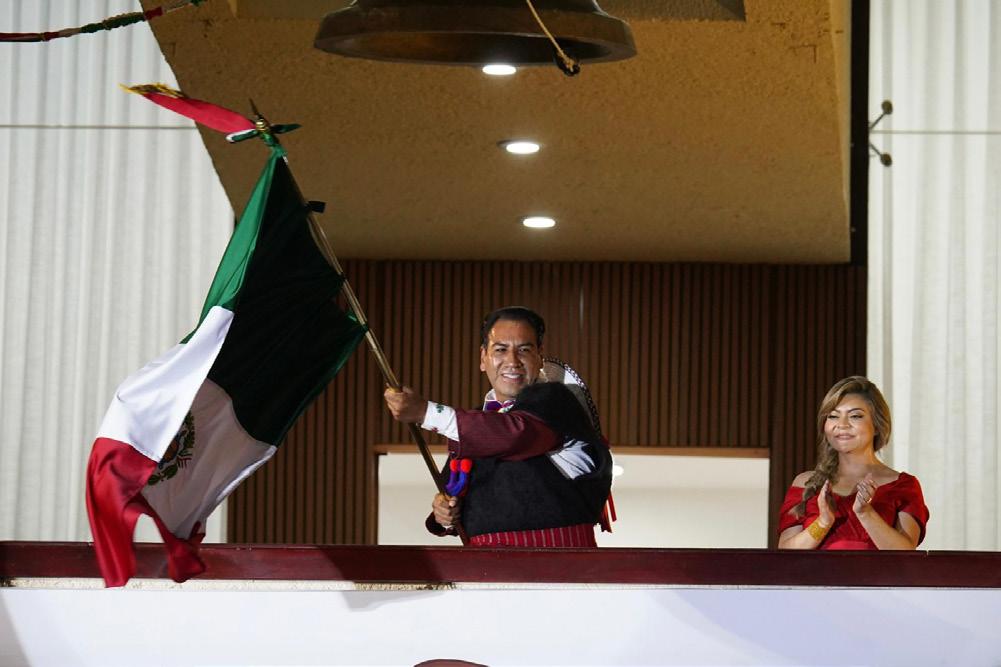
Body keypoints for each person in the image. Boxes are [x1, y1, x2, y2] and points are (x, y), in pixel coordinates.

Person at [384, 306, 612, 547]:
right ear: (483, 358)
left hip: (559, 563)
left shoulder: (557, 402)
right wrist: (446, 514)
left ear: (540, 356)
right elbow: (454, 496)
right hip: (484, 565)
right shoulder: (477, 423)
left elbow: (515, 434)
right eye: (500, 350)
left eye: (524, 350)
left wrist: (426, 412)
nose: (512, 361)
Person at [777, 376, 929, 550]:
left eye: (855, 416)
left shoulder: (904, 485)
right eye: (833, 416)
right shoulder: (805, 482)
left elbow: (906, 554)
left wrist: (866, 513)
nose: (842, 424)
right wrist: (823, 522)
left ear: (877, 425)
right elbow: (785, 552)